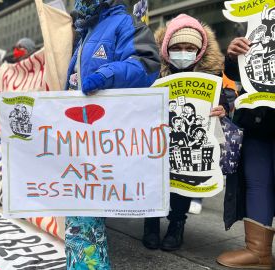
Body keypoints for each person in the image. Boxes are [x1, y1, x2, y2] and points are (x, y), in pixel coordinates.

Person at [64, 1, 161, 269]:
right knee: (79, 216)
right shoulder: (85, 30)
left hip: (105, 138)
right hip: (80, 136)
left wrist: (106, 74)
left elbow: (147, 65)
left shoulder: (126, 23)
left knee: (83, 216)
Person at [142, 14, 226, 252]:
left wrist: (223, 108)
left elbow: (226, 99)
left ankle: (176, 224)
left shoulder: (214, 73)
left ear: (199, 50)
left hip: (189, 140)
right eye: (177, 47)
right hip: (156, 140)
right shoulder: (151, 69)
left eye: (190, 48)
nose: (183, 52)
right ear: (167, 47)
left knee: (182, 181)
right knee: (155, 181)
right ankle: (150, 223)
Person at [216, 36, 275, 270]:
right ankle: (258, 252)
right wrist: (234, 55)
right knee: (257, 181)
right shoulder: (258, 22)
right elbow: (238, 73)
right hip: (256, 118)